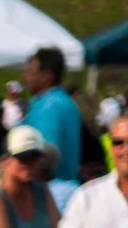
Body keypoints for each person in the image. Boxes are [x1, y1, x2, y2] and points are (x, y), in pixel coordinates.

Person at [22, 46, 84, 194]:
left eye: (31, 72)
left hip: (49, 192)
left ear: (48, 76)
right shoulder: (66, 102)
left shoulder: (49, 107)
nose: (26, 77)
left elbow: (46, 157)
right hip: (67, 188)